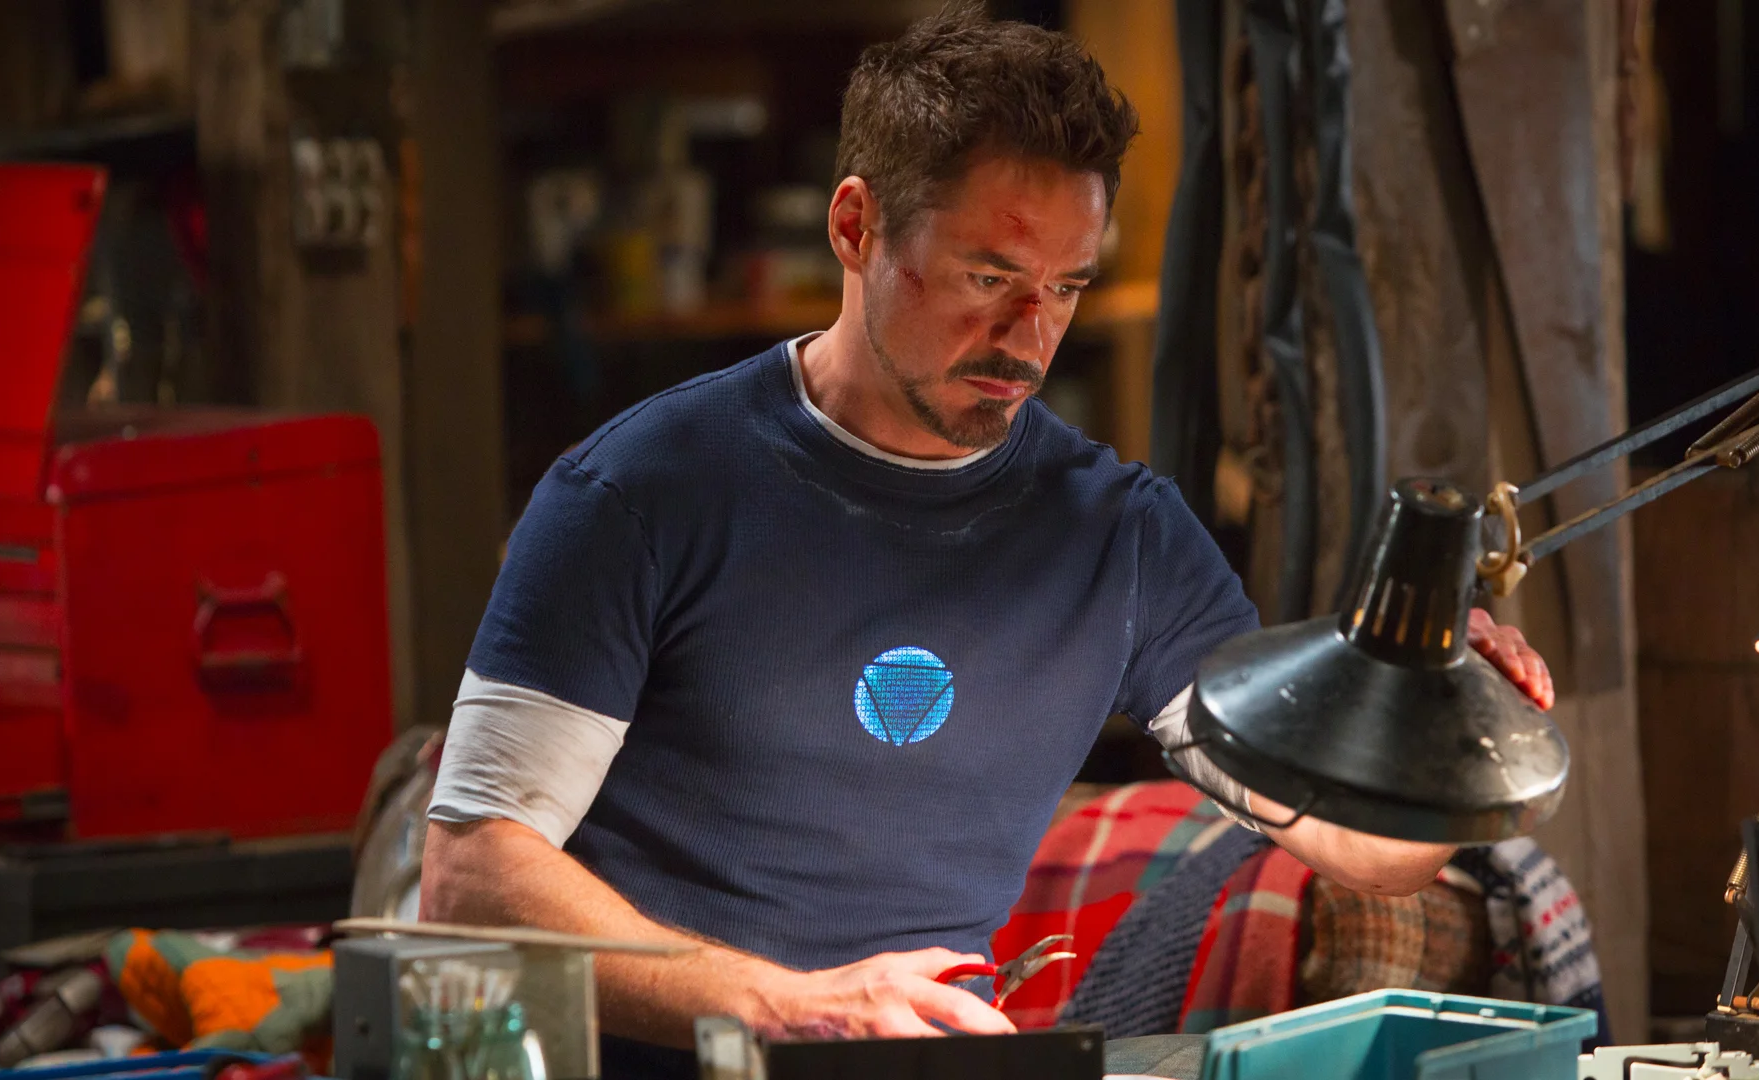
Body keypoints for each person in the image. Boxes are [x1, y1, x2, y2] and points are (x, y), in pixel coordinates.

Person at [420, 7, 1555, 1077]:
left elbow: (1364, 852)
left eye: (1066, 288)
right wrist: (784, 1005)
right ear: (855, 227)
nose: (1029, 336)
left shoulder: (1118, 538)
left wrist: (1448, 730)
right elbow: (470, 877)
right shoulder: (639, 494)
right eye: (989, 278)